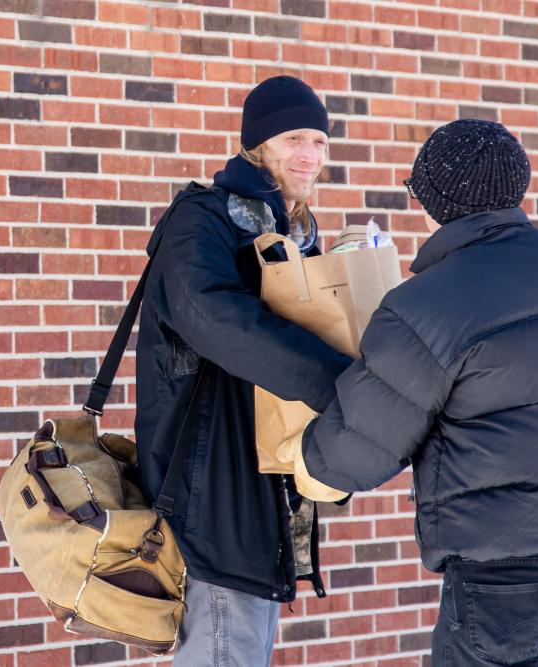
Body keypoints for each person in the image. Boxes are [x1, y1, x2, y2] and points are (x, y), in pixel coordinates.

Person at [284, 118, 538, 665]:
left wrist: (301, 458)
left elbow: (352, 453)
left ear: (432, 200)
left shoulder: (426, 306)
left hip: (504, 579)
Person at [134, 75, 353, 665]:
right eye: (292, 139)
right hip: (210, 489)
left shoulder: (293, 234)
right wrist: (343, 384)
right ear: (257, 145)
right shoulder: (203, 220)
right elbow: (214, 317)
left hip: (260, 491)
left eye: (319, 141)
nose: (310, 154)